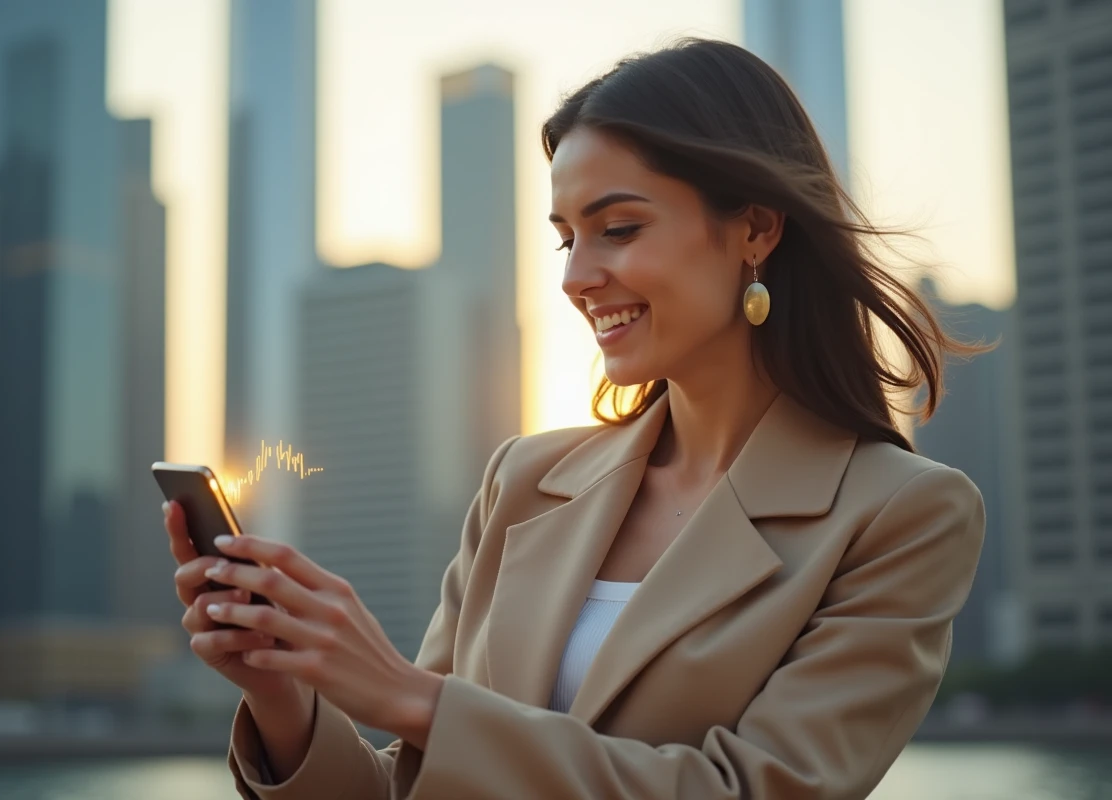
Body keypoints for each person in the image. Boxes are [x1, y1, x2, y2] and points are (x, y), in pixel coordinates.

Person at [163, 37, 987, 799]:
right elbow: (412, 785)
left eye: (618, 230)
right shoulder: (523, 479)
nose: (578, 277)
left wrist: (411, 697)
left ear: (755, 229)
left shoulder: (902, 514)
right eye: (566, 240)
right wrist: (285, 698)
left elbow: (749, 790)